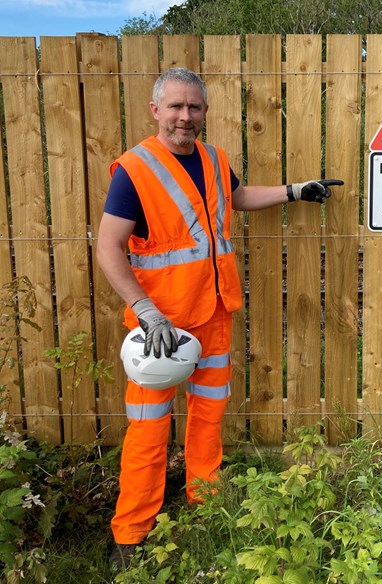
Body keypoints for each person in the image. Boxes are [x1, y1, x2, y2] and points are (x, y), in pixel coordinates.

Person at [96, 67, 342, 568]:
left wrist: (295, 190)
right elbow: (108, 247)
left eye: (195, 108)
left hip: (213, 316)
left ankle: (204, 505)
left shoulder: (212, 159)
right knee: (148, 429)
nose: (185, 117)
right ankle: (131, 532)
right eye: (176, 107)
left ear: (205, 112)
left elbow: (239, 197)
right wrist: (145, 312)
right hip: (160, 329)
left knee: (209, 417)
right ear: (155, 110)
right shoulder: (135, 169)